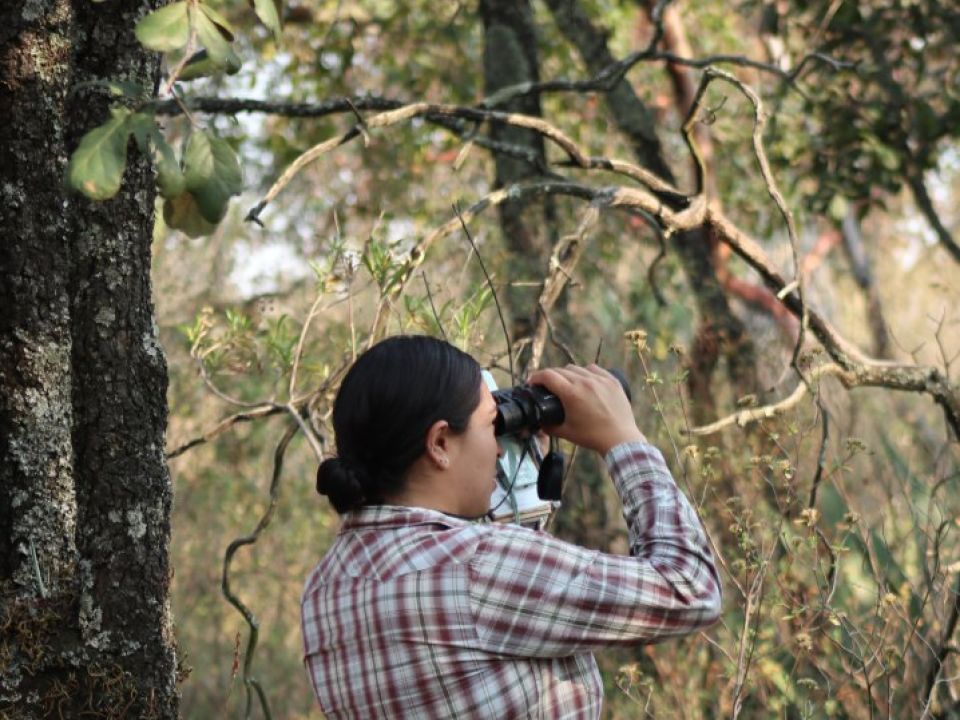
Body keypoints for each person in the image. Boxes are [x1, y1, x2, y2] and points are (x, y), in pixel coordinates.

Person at [301, 335, 721, 719]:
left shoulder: (323, 589)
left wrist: (517, 497)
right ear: (440, 444)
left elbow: (480, 654)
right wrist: (624, 440)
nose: (499, 446)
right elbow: (691, 588)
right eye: (490, 424)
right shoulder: (479, 567)